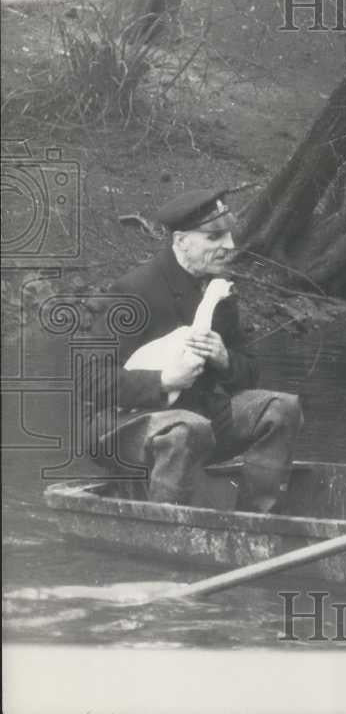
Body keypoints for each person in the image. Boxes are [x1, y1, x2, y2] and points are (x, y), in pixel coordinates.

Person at [85, 188, 303, 512]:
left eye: (228, 236)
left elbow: (250, 373)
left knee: (281, 409)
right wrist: (162, 380)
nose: (228, 246)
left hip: (202, 417)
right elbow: (88, 380)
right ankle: (165, 533)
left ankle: (254, 520)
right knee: (186, 428)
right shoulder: (134, 291)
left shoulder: (219, 293)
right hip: (121, 428)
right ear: (181, 241)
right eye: (214, 237)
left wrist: (225, 360)